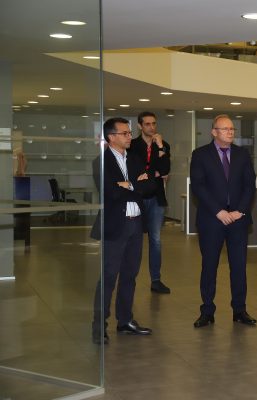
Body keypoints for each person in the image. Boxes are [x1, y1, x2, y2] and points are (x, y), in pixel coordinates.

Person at [91, 117, 155, 344]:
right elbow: (111, 192)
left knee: (130, 275)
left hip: (136, 224)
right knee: (109, 277)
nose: (129, 136)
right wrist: (134, 185)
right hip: (115, 226)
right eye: (125, 133)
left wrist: (128, 185)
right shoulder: (101, 162)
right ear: (111, 137)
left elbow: (150, 186)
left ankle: (125, 320)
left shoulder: (135, 159)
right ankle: (99, 326)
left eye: (129, 133)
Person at [190, 114, 257, 327]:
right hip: (212, 220)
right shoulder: (200, 154)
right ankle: (207, 311)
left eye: (232, 129)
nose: (230, 132)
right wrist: (218, 211)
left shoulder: (242, 154)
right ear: (214, 132)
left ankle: (240, 310)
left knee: (239, 267)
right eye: (225, 129)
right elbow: (198, 186)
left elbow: (249, 185)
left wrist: (240, 211)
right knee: (209, 266)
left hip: (237, 220)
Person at [129, 111, 172, 294]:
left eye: (154, 123)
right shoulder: (132, 145)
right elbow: (134, 170)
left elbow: (165, 170)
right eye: (147, 124)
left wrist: (160, 147)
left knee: (155, 239)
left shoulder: (163, 145)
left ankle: (156, 280)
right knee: (134, 239)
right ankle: (129, 279)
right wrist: (153, 172)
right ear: (140, 126)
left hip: (156, 197)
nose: (151, 127)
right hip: (137, 198)